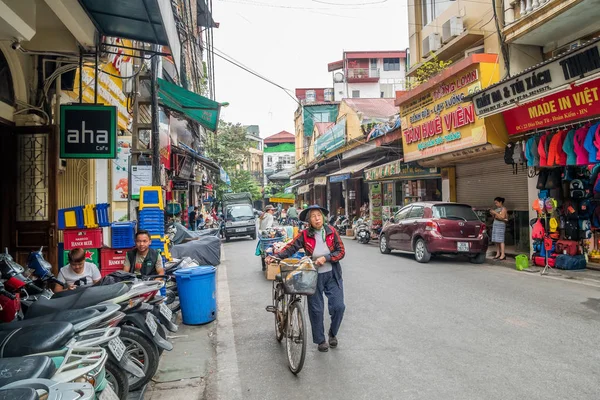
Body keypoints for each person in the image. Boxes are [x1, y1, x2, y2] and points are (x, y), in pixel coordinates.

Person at [267, 205, 346, 353]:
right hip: (312, 275)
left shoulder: (331, 231)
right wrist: (276, 256)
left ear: (323, 217)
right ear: (309, 221)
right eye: (313, 216)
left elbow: (341, 251)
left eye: (319, 215)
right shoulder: (304, 235)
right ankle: (321, 340)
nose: (317, 218)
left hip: (332, 274)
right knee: (316, 309)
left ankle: (332, 333)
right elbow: (291, 248)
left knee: (339, 307)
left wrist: (327, 257)